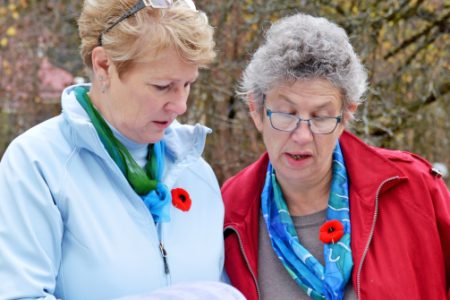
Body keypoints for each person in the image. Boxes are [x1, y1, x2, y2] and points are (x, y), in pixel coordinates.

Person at [0, 0, 232, 299]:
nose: (180, 105)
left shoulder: (196, 172)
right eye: (162, 86)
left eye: (188, 84)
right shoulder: (37, 165)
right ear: (104, 65)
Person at [222, 12, 450, 300]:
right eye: (286, 114)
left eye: (320, 117)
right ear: (256, 109)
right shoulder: (228, 212)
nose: (302, 135)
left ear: (347, 115)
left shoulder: (414, 190)